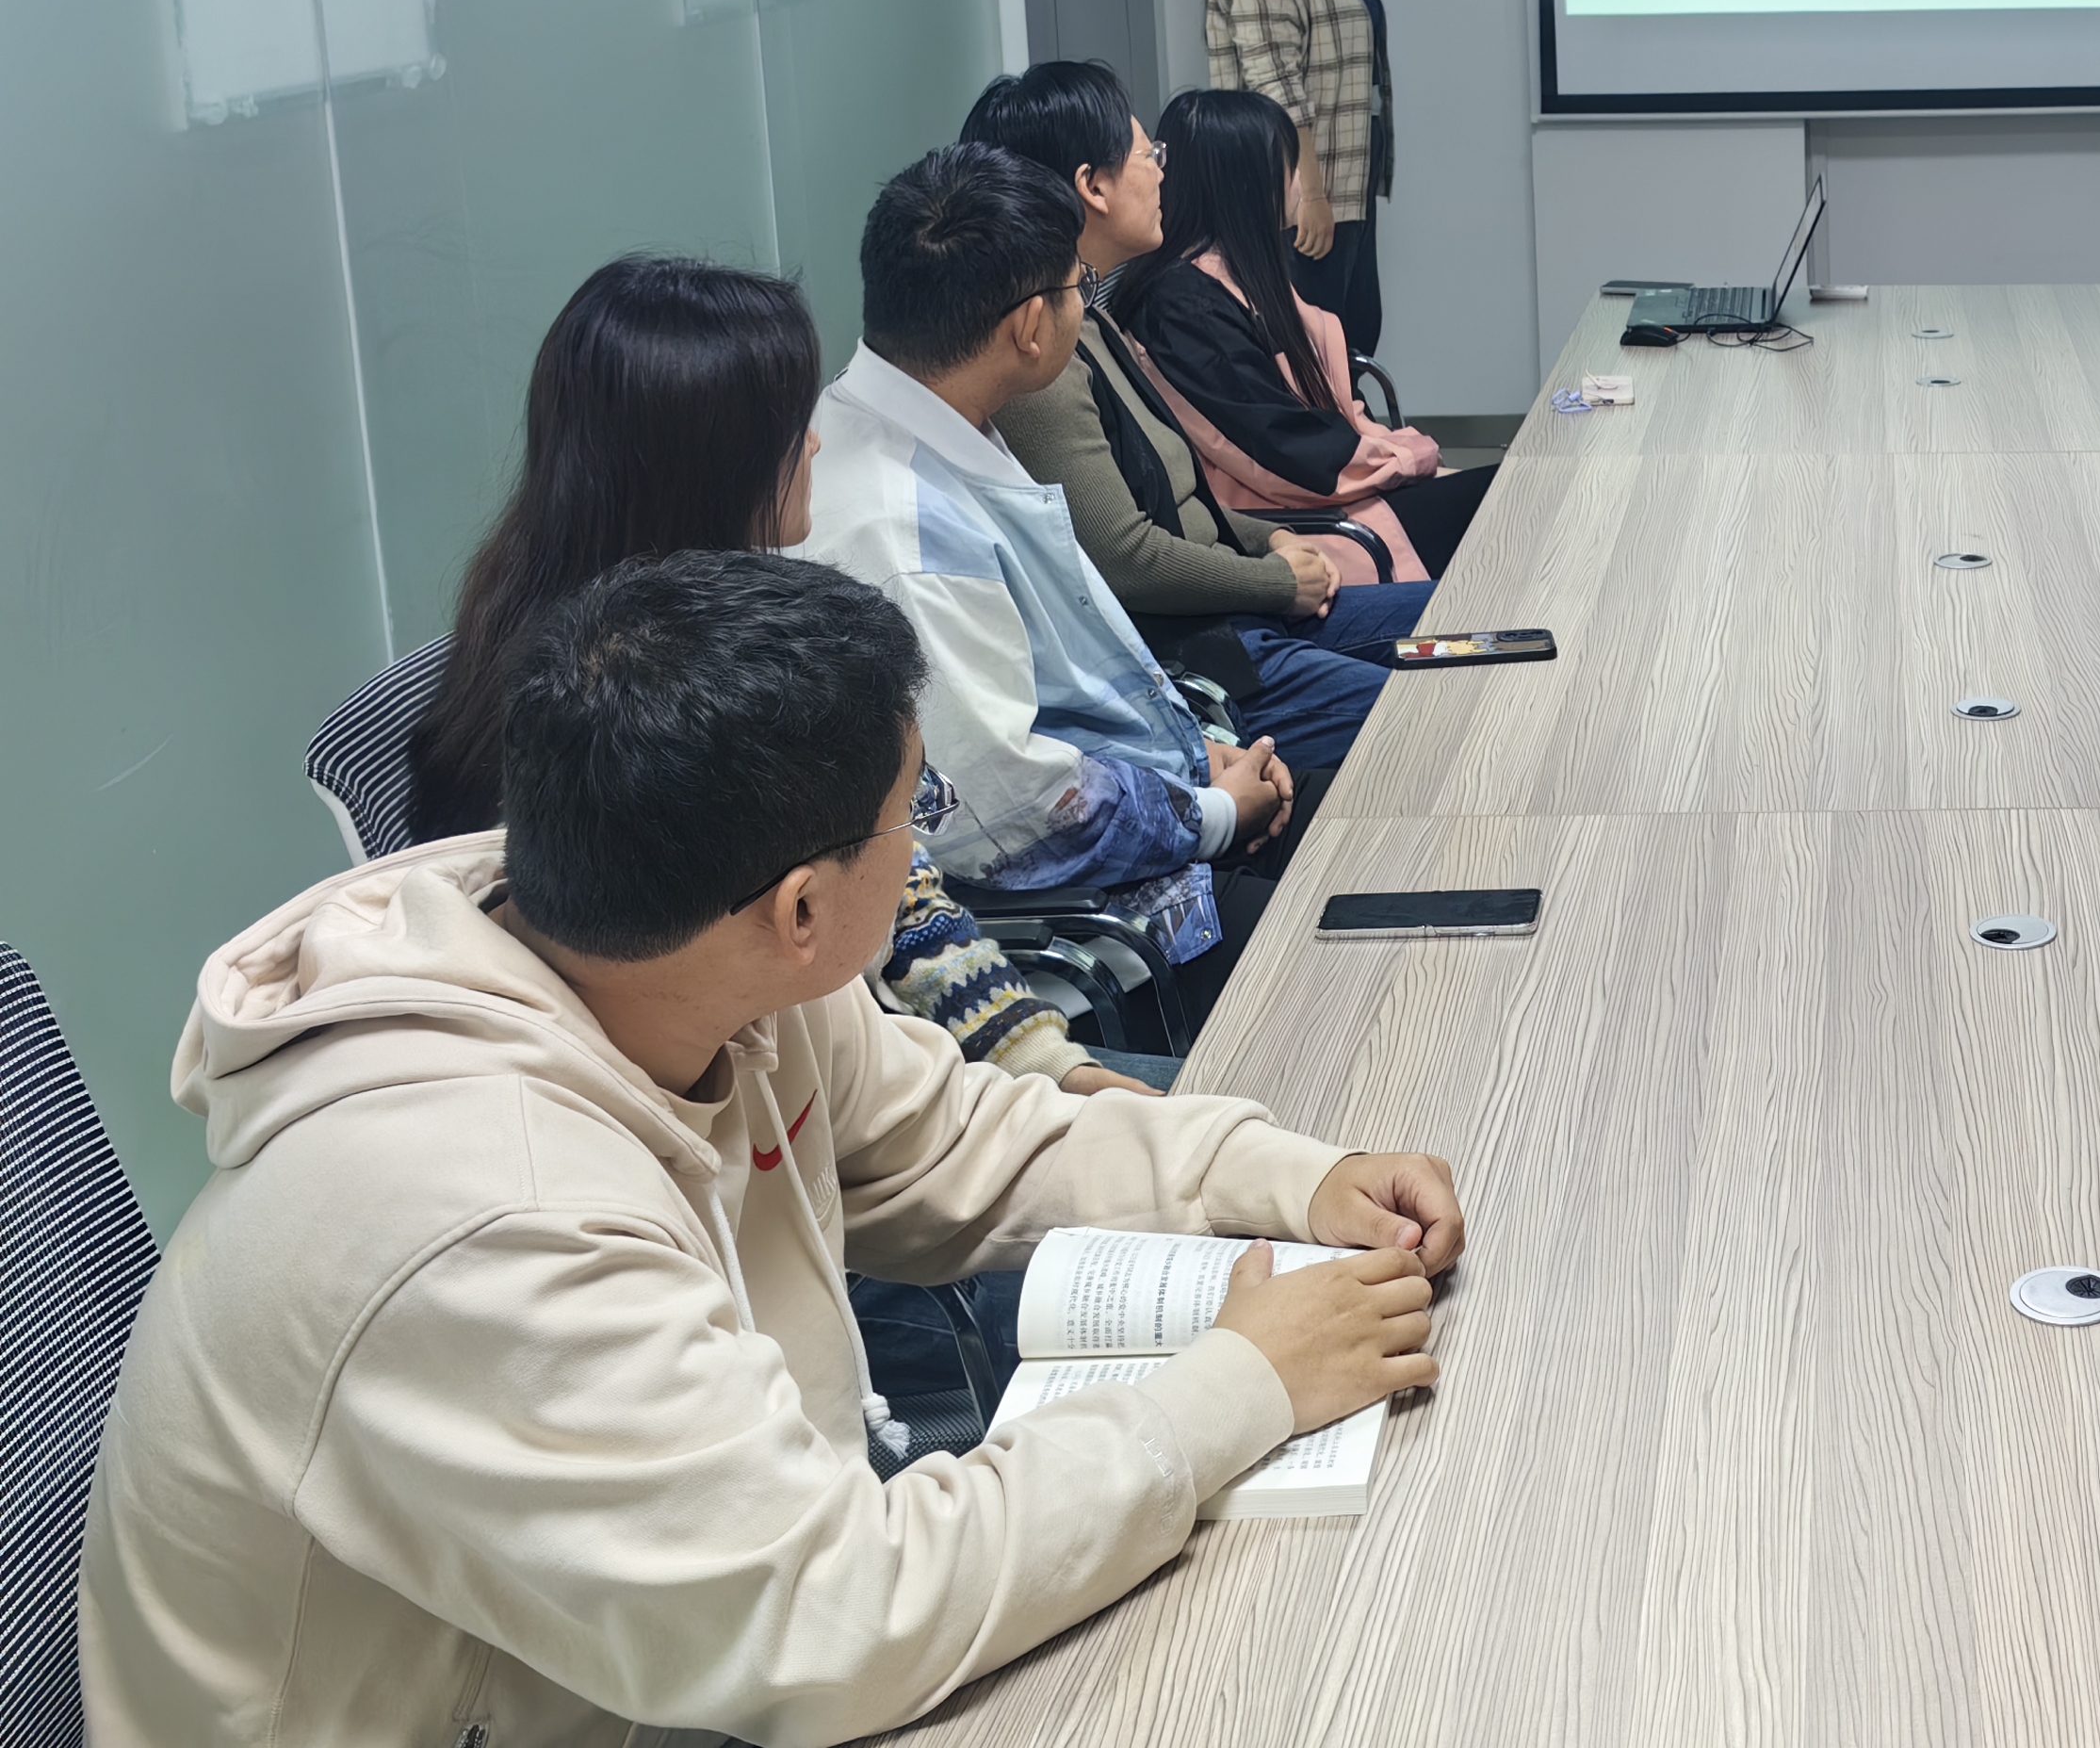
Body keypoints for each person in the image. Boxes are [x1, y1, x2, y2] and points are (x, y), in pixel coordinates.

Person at [82, 548, 1462, 1748]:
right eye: (914, 817)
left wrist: (1287, 1177)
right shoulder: (480, 1221)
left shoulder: (694, 957)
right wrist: (1241, 1387)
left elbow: (953, 1141)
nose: (921, 852)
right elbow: (833, 1621)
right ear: (802, 907)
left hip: (652, 1659)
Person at [401, 254, 1134, 1097]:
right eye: (791, 427)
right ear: (714, 466)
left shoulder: (702, 633)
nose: (817, 440)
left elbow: (895, 879)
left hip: (862, 1065)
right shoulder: (634, 716)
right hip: (761, 1103)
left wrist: (1041, 1057)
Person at [796, 144, 1294, 987]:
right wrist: (1213, 811)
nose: (1083, 305)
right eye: (1078, 288)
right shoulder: (903, 533)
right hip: (1067, 918)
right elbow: (1015, 810)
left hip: (1136, 795)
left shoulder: (926, 415)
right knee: (1344, 915)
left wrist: (1194, 759)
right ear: (1030, 326)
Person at [962, 57, 1431, 779]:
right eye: (1148, 155)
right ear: (1092, 187)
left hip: (1239, 610)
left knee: (1473, 625)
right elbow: (1126, 558)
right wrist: (1277, 580)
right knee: (1442, 711)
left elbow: (1186, 502)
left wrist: (1271, 538)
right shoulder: (1041, 359)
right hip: (1206, 656)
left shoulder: (1091, 319)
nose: (1162, 174)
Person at [1121, 86, 1490, 581]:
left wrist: (1396, 455)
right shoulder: (1184, 306)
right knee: (1518, 505)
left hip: (1326, 499)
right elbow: (1286, 453)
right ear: (1246, 183)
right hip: (1299, 525)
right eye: (1289, 167)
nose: (1300, 183)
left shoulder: (1228, 278)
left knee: (1516, 494)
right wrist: (1405, 457)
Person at [1205, 0, 1392, 357]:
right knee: (1311, 358)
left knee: (1352, 342)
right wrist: (1309, 194)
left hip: (1343, 188)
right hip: (1299, 206)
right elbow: (1275, 88)